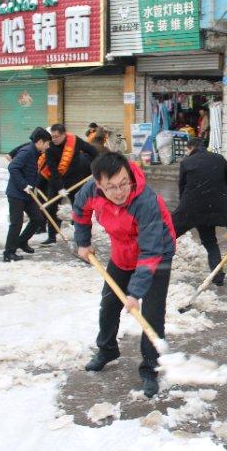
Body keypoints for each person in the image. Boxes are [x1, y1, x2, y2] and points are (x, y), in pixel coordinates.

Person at [73, 152, 176, 398]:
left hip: (157, 253)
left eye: (123, 184)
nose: (119, 192)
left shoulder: (146, 201)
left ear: (129, 176)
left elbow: (150, 250)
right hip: (122, 251)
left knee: (151, 313)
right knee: (109, 304)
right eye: (111, 187)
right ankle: (107, 349)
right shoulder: (90, 191)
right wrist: (83, 241)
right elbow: (80, 210)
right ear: (98, 185)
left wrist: (135, 293)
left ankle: (150, 367)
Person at [171, 137, 227, 286]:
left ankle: (154, 267)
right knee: (211, 242)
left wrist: (184, 206)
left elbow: (182, 187)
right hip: (211, 207)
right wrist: (217, 186)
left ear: (190, 148)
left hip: (191, 207)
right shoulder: (218, 158)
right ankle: (218, 277)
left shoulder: (187, 162)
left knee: (168, 234)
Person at [39, 124, 98, 245]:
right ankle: (51, 237)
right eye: (52, 136)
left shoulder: (74, 141)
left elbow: (92, 151)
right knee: (51, 208)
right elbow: (53, 170)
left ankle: (81, 236)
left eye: (57, 136)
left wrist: (97, 166)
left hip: (75, 180)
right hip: (56, 181)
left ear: (64, 135)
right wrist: (60, 188)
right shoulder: (50, 148)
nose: (54, 139)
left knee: (79, 208)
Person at [3, 127, 51, 262]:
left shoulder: (35, 151)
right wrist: (23, 185)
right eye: (47, 143)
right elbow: (13, 167)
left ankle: (21, 241)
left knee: (38, 219)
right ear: (40, 142)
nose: (48, 146)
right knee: (16, 223)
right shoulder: (27, 151)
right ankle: (8, 253)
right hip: (16, 193)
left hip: (27, 193)